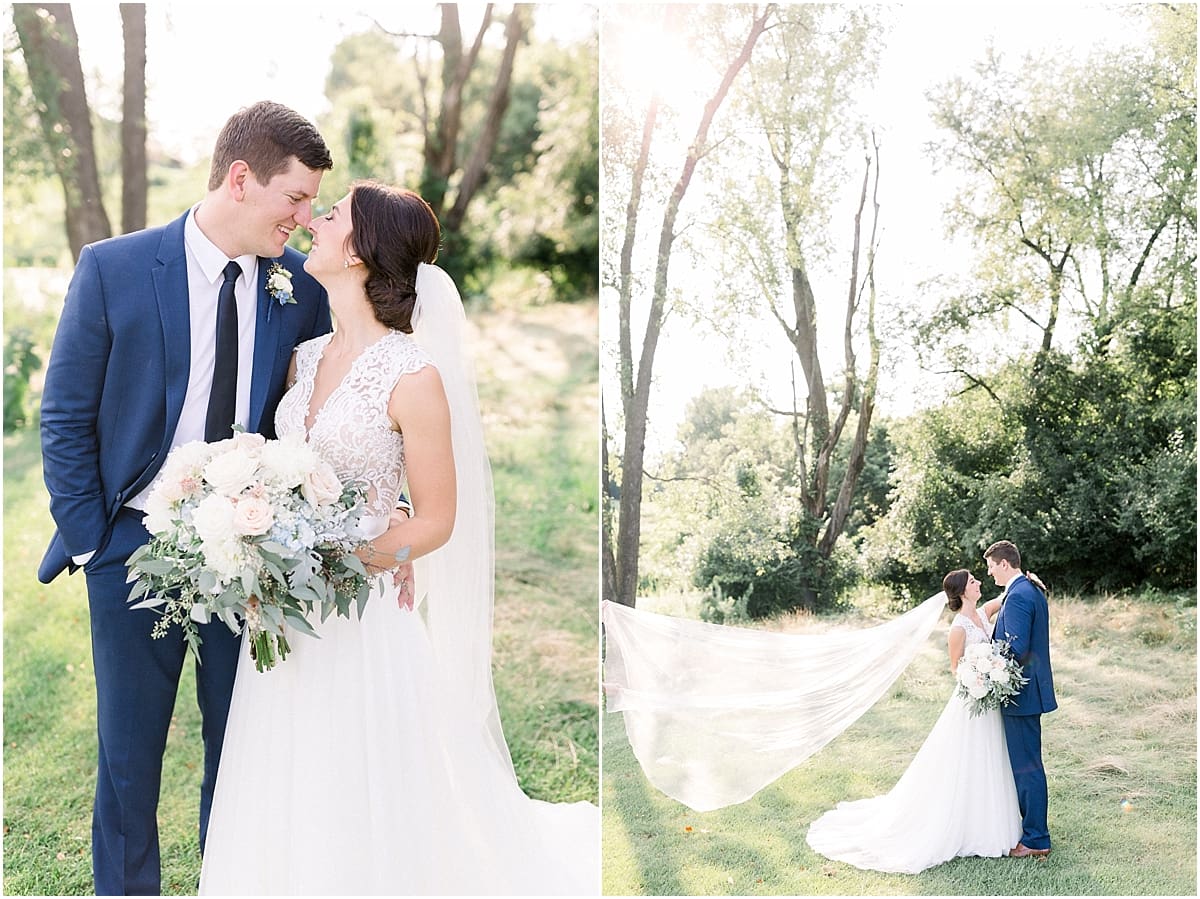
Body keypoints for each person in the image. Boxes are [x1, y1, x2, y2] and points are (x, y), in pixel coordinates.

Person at [197, 181, 598, 894]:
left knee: (360, 782)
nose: (314, 223)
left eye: (332, 215)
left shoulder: (413, 375)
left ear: (361, 250)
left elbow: (436, 519)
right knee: (289, 775)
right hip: (287, 617)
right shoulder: (306, 357)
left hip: (361, 616)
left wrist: (342, 558)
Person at [38, 100, 334, 895]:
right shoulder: (116, 266)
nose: (305, 221)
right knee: (129, 759)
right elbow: (64, 414)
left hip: (254, 547)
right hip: (131, 543)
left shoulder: (300, 287)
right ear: (240, 179)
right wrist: (92, 539)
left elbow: (328, 407)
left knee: (241, 754)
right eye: (295, 199)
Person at [805, 569, 1022, 873]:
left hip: (987, 703)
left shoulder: (983, 614)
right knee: (966, 760)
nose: (978, 583)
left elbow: (1003, 598)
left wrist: (1025, 580)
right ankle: (961, 823)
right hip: (971, 701)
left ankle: (988, 820)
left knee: (989, 759)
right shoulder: (958, 628)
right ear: (962, 591)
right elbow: (956, 669)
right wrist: (980, 678)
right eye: (973, 581)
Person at [986, 539, 1057, 858]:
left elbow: (1014, 648)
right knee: (1028, 764)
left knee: (1027, 767)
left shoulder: (1017, 596)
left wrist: (984, 664)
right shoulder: (1028, 590)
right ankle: (1031, 830)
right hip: (1029, 692)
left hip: (1021, 695)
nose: (990, 574)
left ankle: (1036, 839)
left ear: (1004, 564)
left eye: (991, 567)